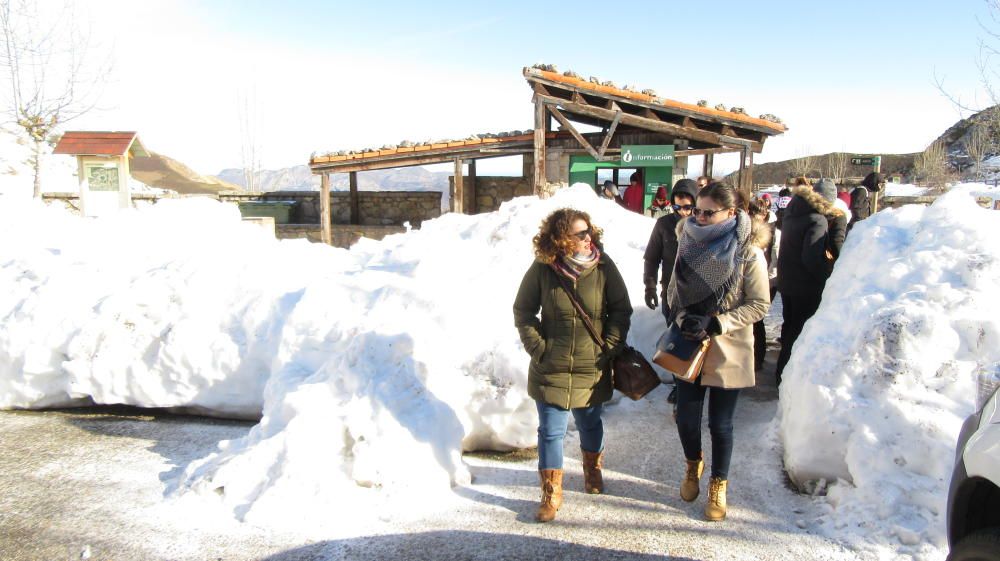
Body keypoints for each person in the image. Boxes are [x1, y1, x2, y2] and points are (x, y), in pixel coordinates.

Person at [513, 208, 632, 523]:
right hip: (550, 366)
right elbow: (523, 311)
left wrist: (610, 345)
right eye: (580, 233)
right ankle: (551, 493)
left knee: (590, 424)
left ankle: (592, 470)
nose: (587, 237)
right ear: (561, 239)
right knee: (550, 432)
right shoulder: (543, 269)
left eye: (588, 231)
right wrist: (539, 349)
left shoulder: (604, 267)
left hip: (591, 365)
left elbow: (621, 309)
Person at [665, 182, 770, 522]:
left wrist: (719, 323)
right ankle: (693, 464)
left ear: (731, 212)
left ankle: (718, 484)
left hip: (729, 346)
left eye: (708, 212)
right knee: (686, 419)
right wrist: (683, 316)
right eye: (697, 210)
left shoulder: (747, 252)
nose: (700, 217)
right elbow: (673, 293)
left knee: (721, 425)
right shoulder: (686, 242)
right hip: (689, 342)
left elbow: (759, 305)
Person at [773, 180, 845, 385]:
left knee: (789, 328)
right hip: (805, 286)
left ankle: (780, 374)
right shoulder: (817, 220)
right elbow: (811, 258)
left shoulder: (793, 211)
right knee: (799, 332)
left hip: (787, 281)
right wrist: (826, 277)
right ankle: (787, 379)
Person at [643, 178, 699, 407]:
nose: (682, 212)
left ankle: (697, 385)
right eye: (677, 207)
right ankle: (680, 386)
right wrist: (649, 286)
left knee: (697, 341)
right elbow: (652, 257)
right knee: (676, 341)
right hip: (671, 294)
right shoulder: (664, 224)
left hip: (699, 296)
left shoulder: (703, 224)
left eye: (687, 207)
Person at [748, 198, 778, 371]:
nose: (754, 217)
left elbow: (775, 259)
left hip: (766, 281)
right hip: (749, 281)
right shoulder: (746, 229)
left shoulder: (772, 232)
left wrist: (768, 282)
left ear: (764, 214)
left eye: (757, 214)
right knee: (752, 321)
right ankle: (752, 356)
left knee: (757, 319)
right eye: (751, 213)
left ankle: (758, 357)